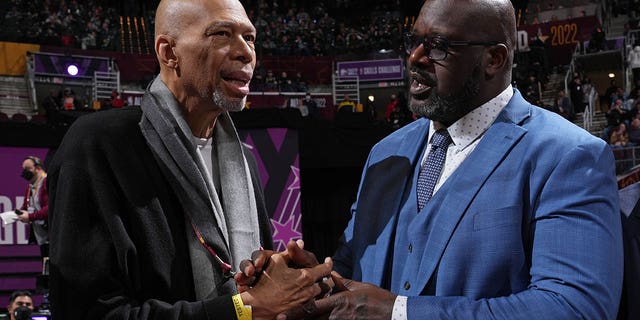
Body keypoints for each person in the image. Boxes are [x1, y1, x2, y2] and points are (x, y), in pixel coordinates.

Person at [283, 0, 623, 318]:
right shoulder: (386, 153)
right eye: (413, 41)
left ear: (494, 59)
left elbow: (575, 307)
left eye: (438, 46)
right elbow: (354, 276)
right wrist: (317, 282)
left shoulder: (568, 155)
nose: (415, 57)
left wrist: (401, 312)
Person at [46, 0, 332, 319]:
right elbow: (84, 312)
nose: (246, 52)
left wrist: (288, 283)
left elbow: (258, 302)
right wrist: (241, 309)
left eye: (250, 38)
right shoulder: (99, 145)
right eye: (222, 34)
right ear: (169, 53)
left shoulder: (243, 163)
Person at [16, 156, 49, 258]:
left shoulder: (47, 183)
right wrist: (19, 214)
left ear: (38, 168)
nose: (25, 172)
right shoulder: (30, 188)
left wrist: (31, 217)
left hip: (53, 237)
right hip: (42, 237)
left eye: (28, 169)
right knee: (46, 269)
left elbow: (50, 209)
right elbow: (26, 207)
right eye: (24, 169)